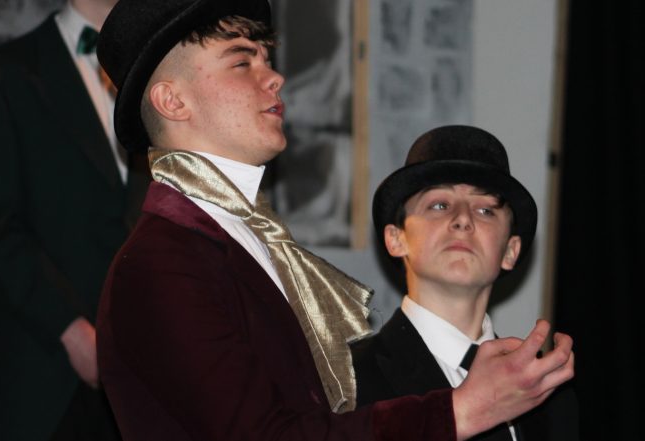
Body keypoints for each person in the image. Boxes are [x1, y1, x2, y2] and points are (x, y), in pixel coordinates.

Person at [94, 1, 575, 440]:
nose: (274, 77)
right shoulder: (161, 262)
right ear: (173, 101)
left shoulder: (248, 244)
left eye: (267, 58)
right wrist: (463, 410)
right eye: (242, 62)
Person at [0, 0, 150, 440]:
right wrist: (71, 330)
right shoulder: (1, 74)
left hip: (148, 384)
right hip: (51, 381)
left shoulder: (160, 80)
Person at [351, 125, 579, 440]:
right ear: (396, 238)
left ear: (510, 251)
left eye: (485, 210)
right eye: (439, 205)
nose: (463, 219)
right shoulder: (344, 379)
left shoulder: (548, 392)